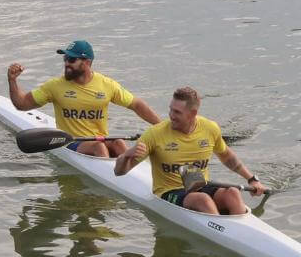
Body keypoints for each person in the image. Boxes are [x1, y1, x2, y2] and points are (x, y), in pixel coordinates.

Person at [114, 86, 267, 215]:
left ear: (193, 114)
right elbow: (119, 172)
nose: (171, 116)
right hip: (168, 193)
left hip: (199, 184)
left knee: (233, 192)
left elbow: (227, 157)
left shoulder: (210, 128)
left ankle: (240, 232)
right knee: (203, 200)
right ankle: (222, 235)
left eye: (177, 112)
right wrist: (127, 155)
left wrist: (251, 179)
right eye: (171, 110)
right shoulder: (154, 134)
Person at [7, 39, 160, 157]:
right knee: (99, 146)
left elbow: (137, 104)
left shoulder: (107, 85)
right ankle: (111, 176)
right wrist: (12, 80)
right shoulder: (54, 86)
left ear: (87, 62)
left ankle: (128, 172)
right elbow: (22, 104)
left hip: (99, 140)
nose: (67, 63)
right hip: (69, 143)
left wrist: (163, 127)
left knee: (118, 142)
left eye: (72, 60)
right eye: (65, 58)